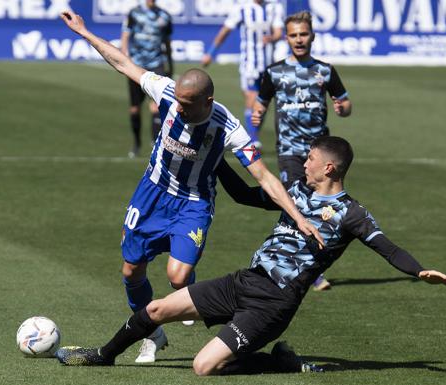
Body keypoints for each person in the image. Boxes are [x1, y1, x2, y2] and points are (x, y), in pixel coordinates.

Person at [54, 136, 446, 376]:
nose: (305, 162)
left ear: (329, 166)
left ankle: (278, 362)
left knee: (204, 367)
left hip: (273, 303)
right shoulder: (296, 192)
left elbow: (388, 247)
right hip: (245, 281)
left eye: (311, 159)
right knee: (157, 309)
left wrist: (419, 271)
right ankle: (103, 356)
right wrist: (217, 163)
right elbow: (247, 195)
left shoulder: (352, 214)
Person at [59, 11, 324, 364]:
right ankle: (153, 334)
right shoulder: (167, 91)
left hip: (193, 203)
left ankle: (186, 292)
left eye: (187, 105)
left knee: (177, 276)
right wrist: (84, 32)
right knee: (130, 270)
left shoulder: (227, 126)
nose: (177, 109)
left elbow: (263, 176)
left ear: (207, 102)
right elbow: (123, 63)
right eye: (177, 103)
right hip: (152, 193)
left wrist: (298, 217)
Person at [252, 10, 353, 290]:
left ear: (312, 36)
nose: (299, 39)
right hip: (289, 151)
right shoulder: (273, 72)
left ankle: (306, 263)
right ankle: (297, 266)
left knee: (319, 208)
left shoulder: (325, 71)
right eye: (294, 35)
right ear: (286, 38)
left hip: (321, 154)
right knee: (295, 204)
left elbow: (345, 103)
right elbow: (261, 102)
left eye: (303, 34)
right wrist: (257, 114)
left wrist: (342, 109)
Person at [201, 0, 284, 149]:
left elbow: (278, 31)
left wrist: (272, 38)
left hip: (268, 65)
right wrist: (210, 53)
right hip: (250, 64)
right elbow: (225, 31)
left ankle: (252, 133)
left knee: (263, 103)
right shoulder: (242, 8)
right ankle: (252, 139)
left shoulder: (274, 7)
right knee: (251, 97)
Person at [120, 0, 173, 158]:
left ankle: (154, 142)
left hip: (156, 64)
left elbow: (167, 42)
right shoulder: (134, 13)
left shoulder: (164, 16)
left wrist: (170, 63)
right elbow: (125, 35)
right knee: (135, 109)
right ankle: (136, 143)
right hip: (136, 65)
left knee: (156, 105)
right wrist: (125, 58)